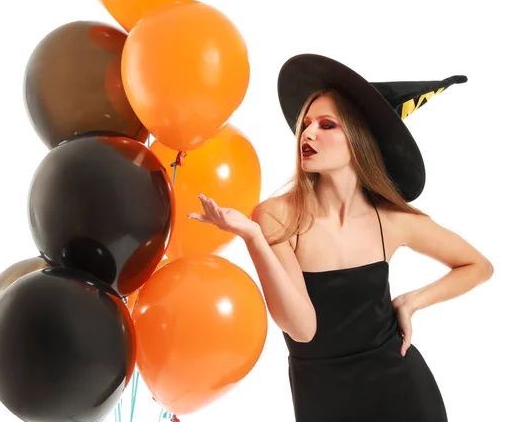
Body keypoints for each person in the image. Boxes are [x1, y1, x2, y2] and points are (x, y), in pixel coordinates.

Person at [187, 53, 494, 421]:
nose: (308, 133)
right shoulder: (277, 217)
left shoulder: (392, 220)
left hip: (403, 391)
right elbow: (302, 328)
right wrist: (253, 239)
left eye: (327, 125)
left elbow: (478, 265)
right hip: (324, 398)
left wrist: (412, 301)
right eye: (307, 124)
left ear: (360, 141)